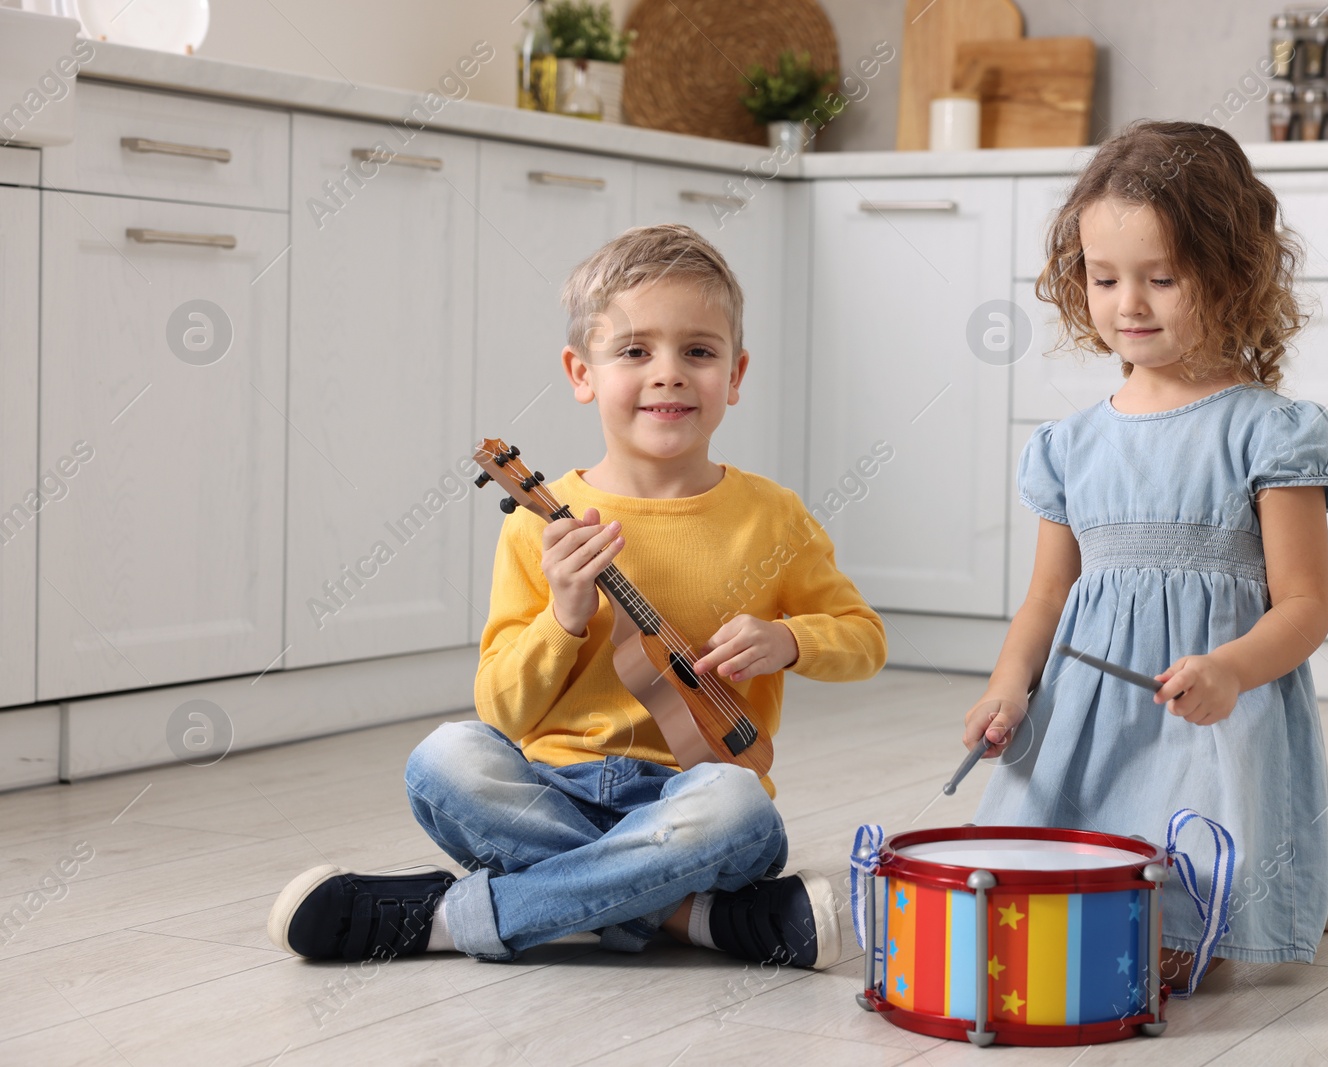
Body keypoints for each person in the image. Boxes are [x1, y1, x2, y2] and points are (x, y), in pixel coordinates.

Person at [268, 223, 888, 968]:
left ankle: (442, 918)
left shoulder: (773, 515)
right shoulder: (545, 520)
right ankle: (694, 916)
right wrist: (563, 616)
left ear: (736, 372)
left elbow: (864, 638)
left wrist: (791, 639)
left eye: (698, 350)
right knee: (445, 757)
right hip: (550, 792)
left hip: (690, 799)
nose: (668, 373)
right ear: (581, 371)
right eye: (634, 351)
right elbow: (503, 708)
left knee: (738, 806)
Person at [963, 120, 1328, 992]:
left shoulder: (1271, 431)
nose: (1128, 305)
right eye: (1104, 279)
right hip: (1087, 723)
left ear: (1231, 274)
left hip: (1212, 719)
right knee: (1023, 885)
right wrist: (1008, 685)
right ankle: (1306, 855)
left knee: (1178, 916)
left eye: (1162, 278)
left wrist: (1228, 668)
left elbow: (1305, 606)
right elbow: (1045, 597)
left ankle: (1312, 864)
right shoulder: (1070, 444)